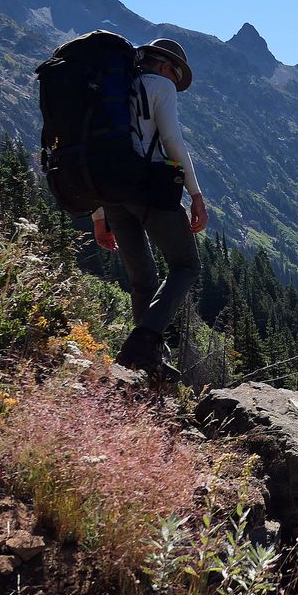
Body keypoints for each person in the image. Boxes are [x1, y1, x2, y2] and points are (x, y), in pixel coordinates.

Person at [91, 38, 208, 380]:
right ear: (166, 65)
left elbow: (99, 150)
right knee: (186, 265)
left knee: (143, 278)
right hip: (148, 188)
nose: (175, 81)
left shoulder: (112, 88)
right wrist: (195, 194)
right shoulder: (160, 86)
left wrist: (98, 217)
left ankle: (146, 360)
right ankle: (143, 343)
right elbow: (172, 140)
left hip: (111, 194)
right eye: (175, 73)